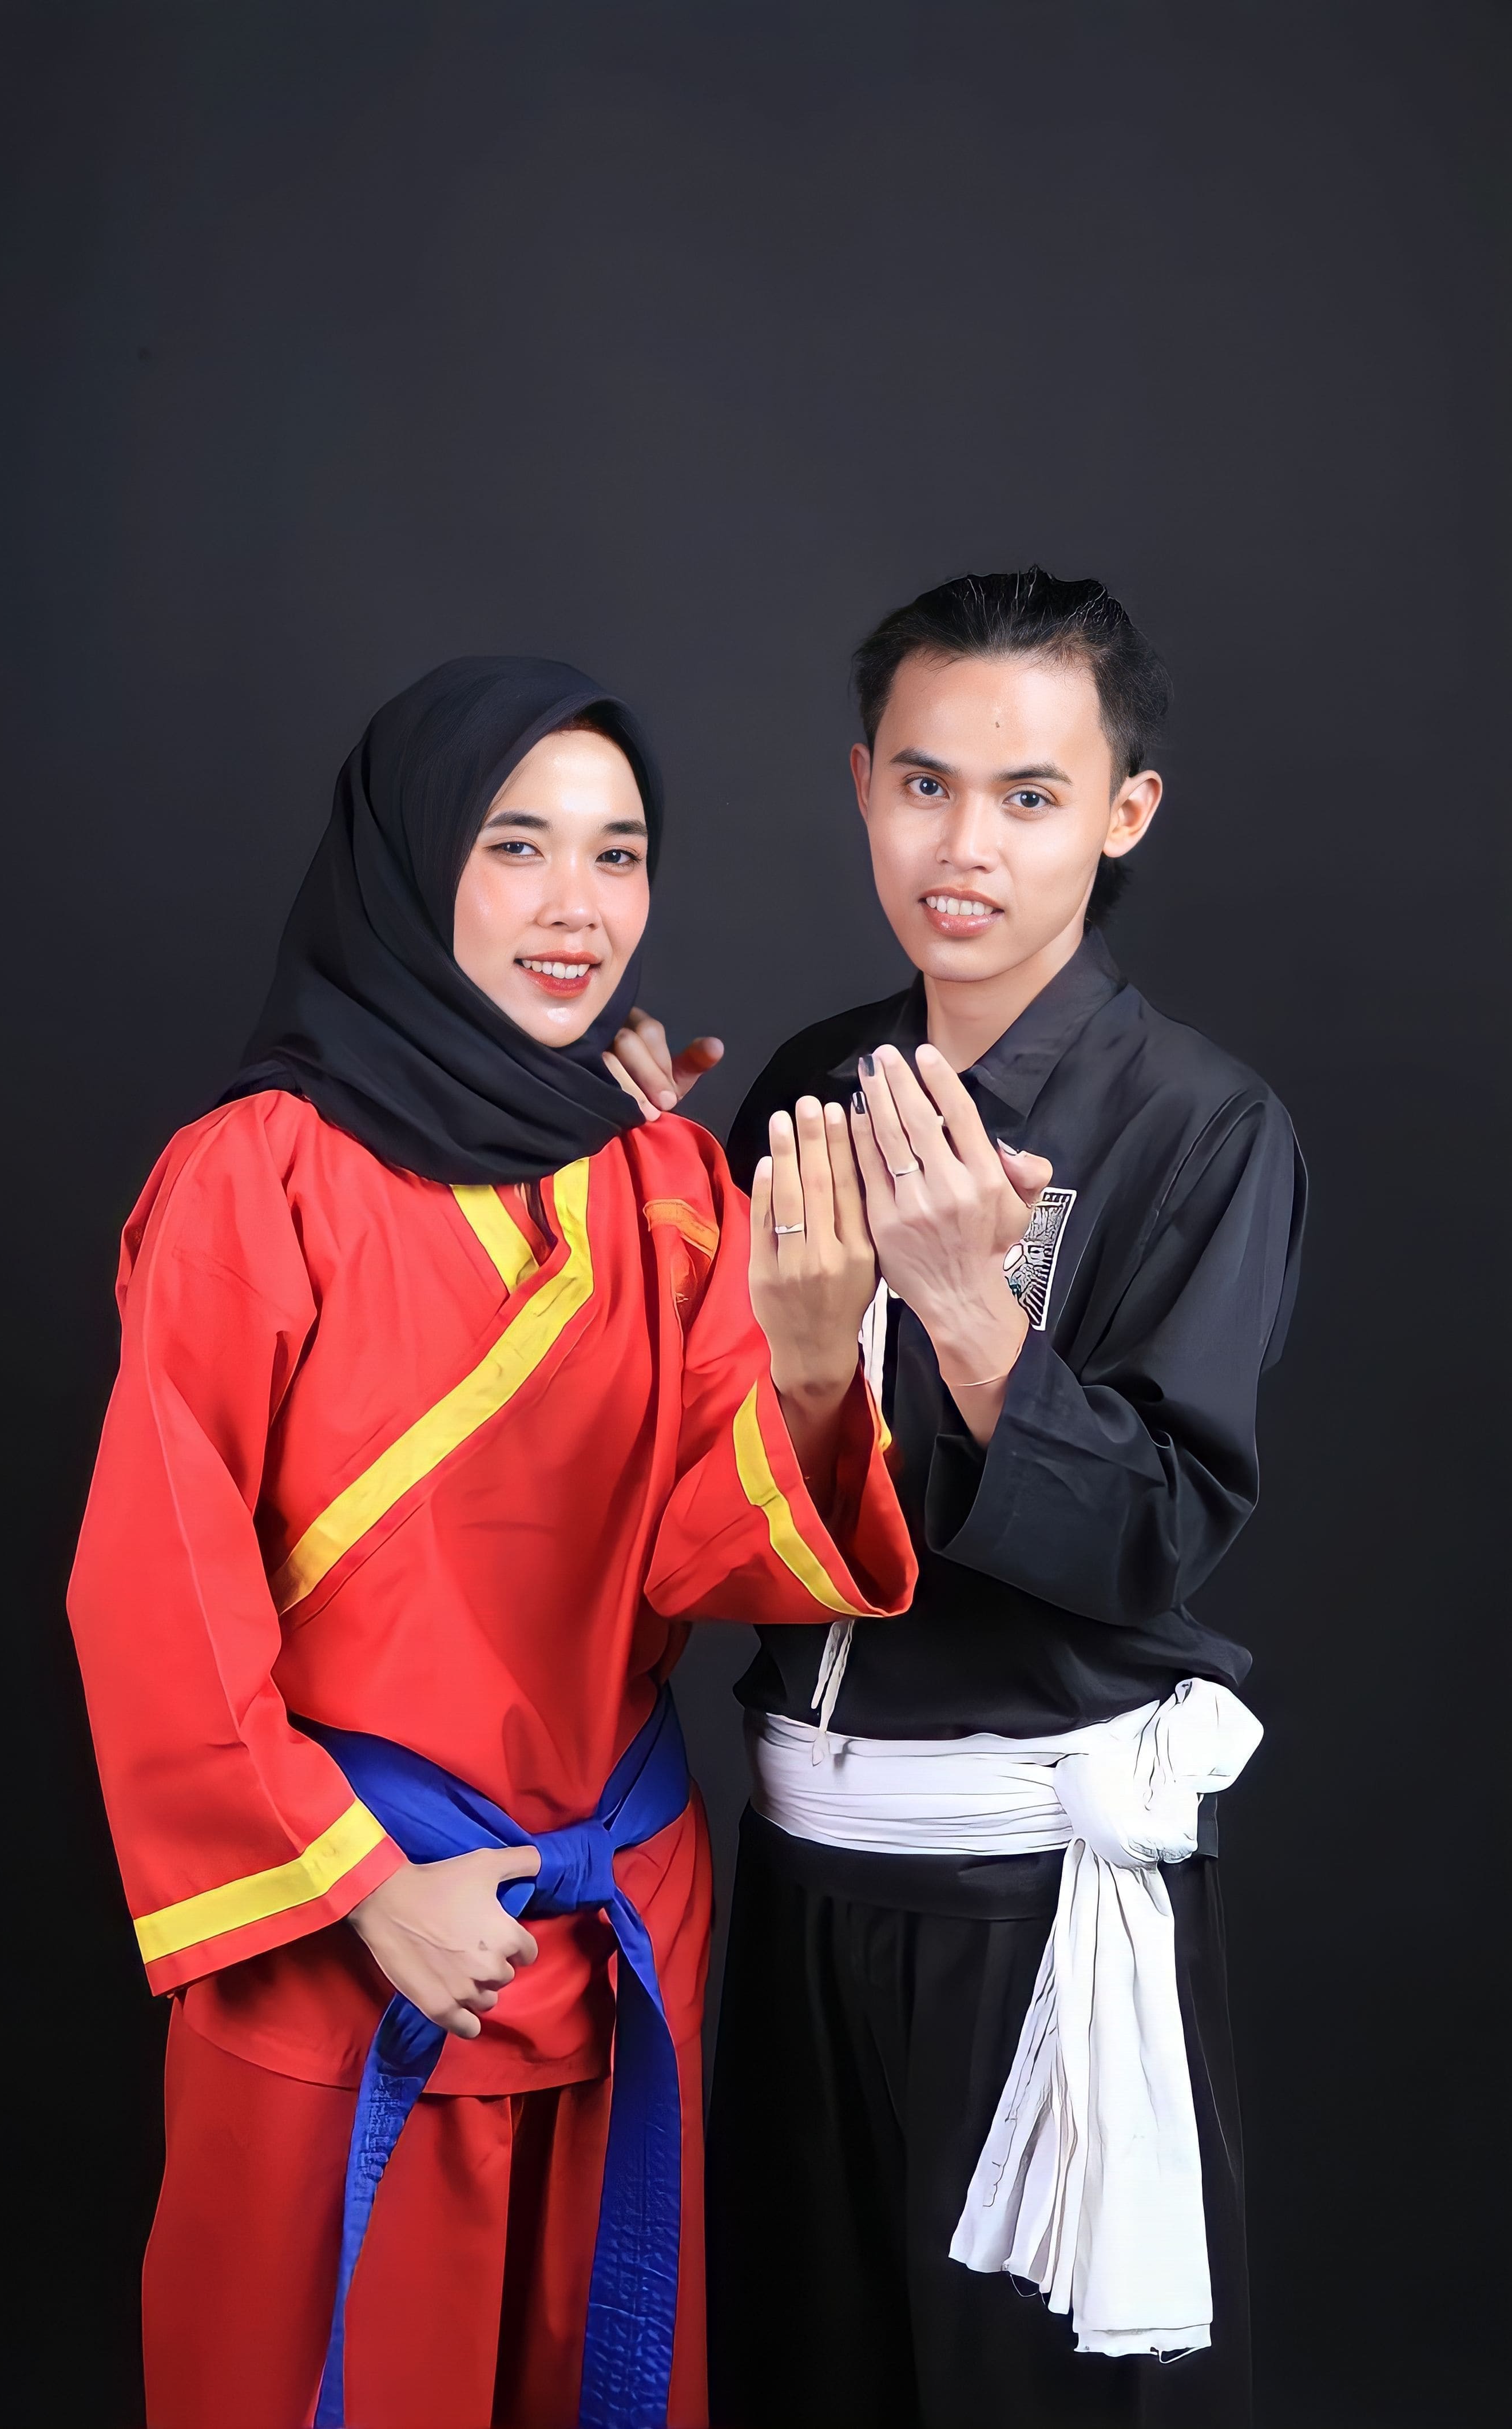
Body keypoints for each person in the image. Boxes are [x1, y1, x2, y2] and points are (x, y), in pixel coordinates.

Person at [66, 656, 915, 2429]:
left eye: (619, 854)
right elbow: (161, 1591)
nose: (576, 906)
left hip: (609, 1933)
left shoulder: (664, 1183)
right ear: (410, 861)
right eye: (516, 845)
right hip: (347, 1932)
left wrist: (817, 1364)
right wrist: (371, 1891)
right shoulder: (256, 1176)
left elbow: (712, 1553)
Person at [610, 570, 1306, 2429]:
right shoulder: (812, 1087)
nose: (965, 846)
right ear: (862, 787)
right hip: (798, 1877)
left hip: (1028, 1898)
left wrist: (974, 1319)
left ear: (1123, 812)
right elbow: (721, 1509)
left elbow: (1157, 1536)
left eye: (1029, 795)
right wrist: (775, 1327)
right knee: (799, 2373)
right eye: (923, 786)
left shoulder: (1203, 1127)